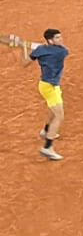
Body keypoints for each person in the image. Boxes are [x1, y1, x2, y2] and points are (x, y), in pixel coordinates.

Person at [10, 28, 68, 160]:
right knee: (59, 116)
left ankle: (46, 130)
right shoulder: (61, 51)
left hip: (49, 86)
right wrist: (33, 46)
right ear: (50, 40)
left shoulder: (40, 51)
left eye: (60, 37)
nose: (61, 39)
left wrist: (24, 48)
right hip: (49, 88)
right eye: (58, 38)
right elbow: (52, 50)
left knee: (52, 110)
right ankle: (47, 147)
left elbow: (25, 63)